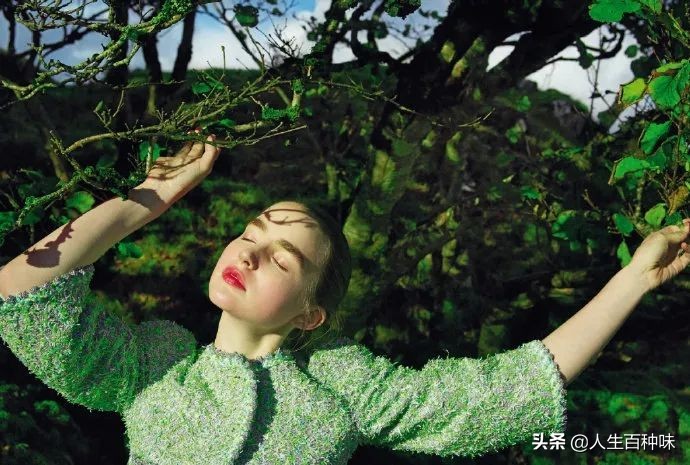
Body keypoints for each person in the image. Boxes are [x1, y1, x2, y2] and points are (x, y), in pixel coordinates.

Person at [0, 134, 689, 465]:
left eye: (283, 258)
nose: (249, 253)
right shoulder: (155, 363)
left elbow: (503, 394)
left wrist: (633, 279)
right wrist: (146, 200)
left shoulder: (341, 384)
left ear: (311, 314)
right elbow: (21, 294)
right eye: (250, 233)